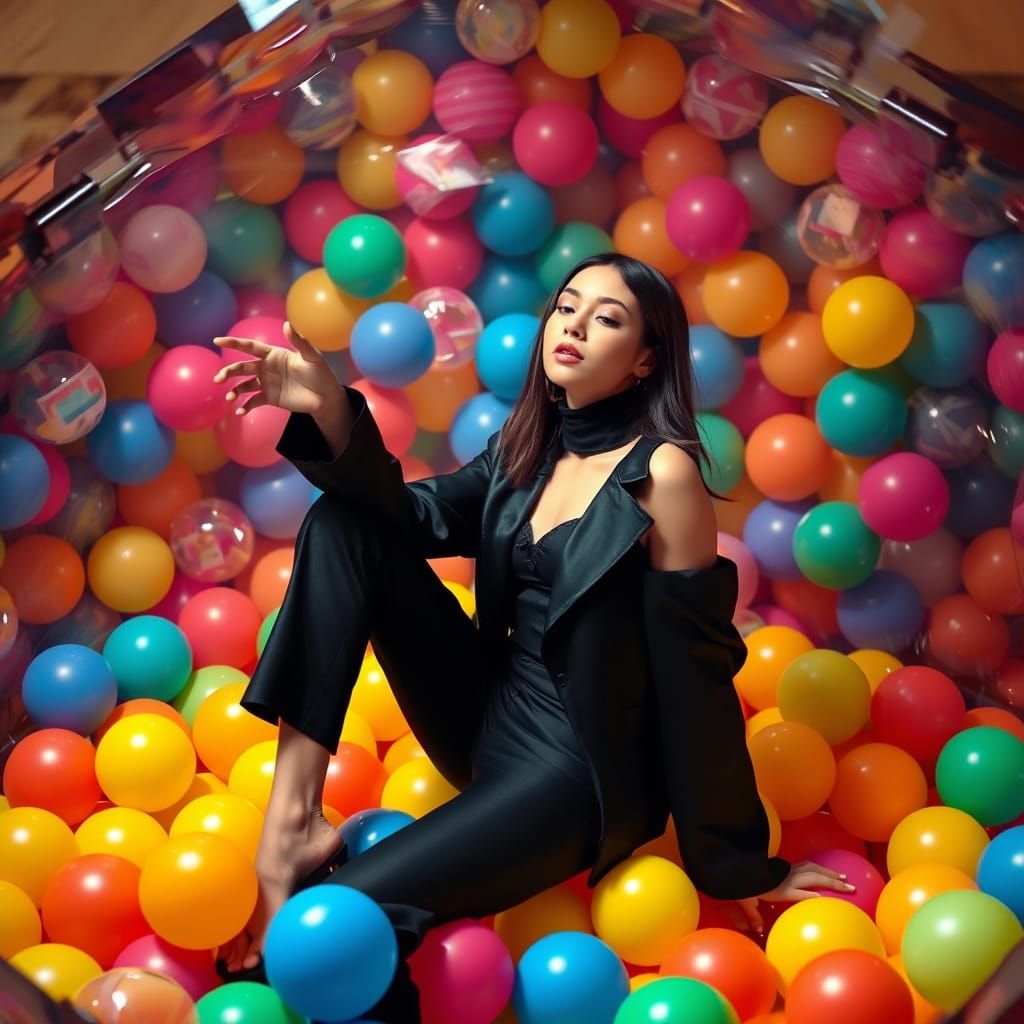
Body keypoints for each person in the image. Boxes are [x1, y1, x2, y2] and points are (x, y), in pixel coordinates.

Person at [211, 253, 852, 1021]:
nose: (574, 325)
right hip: (486, 710)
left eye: (607, 318)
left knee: (337, 926)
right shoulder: (527, 446)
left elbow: (695, 678)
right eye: (568, 306)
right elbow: (408, 517)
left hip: (570, 766)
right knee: (346, 521)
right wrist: (332, 412)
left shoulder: (663, 477)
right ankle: (293, 826)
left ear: (646, 361)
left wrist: (738, 863)